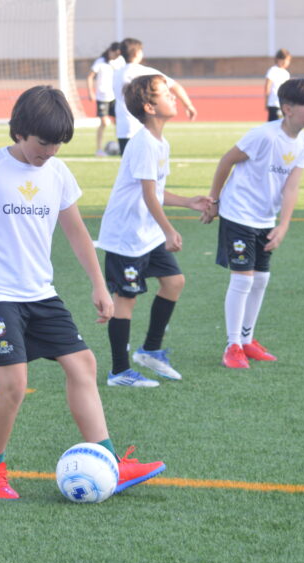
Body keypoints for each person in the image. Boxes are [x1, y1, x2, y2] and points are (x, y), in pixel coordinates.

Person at [0, 85, 166, 500]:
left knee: (83, 364)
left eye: (58, 144)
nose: (50, 151)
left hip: (40, 293)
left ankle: (111, 461)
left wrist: (99, 285)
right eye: (43, 143)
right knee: (14, 384)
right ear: (20, 131)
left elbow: (77, 232)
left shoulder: (58, 173)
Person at [96, 75, 211, 387]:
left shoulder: (161, 142)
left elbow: (156, 191)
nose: (174, 96)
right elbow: (148, 196)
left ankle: (150, 351)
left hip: (146, 234)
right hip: (126, 237)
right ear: (149, 106)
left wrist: (189, 202)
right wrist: (170, 230)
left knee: (174, 282)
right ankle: (119, 372)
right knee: (126, 300)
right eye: (165, 94)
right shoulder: (144, 142)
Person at [202, 79, 304, 369]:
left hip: (265, 219)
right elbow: (226, 161)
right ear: (288, 109)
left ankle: (247, 340)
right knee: (243, 279)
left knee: (262, 279)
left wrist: (284, 224)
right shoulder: (264, 136)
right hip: (239, 214)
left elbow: (291, 188)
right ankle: (231, 347)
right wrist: (214, 200)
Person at [112, 37, 197, 154]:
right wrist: (188, 105)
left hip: (123, 127)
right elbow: (174, 85)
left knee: (130, 166)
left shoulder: (116, 73)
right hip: (141, 126)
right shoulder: (144, 71)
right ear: (137, 53)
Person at [87, 41, 123, 156]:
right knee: (104, 122)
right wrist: (90, 92)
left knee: (118, 122)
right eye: (115, 54)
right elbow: (90, 76)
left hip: (115, 96)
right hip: (102, 97)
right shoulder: (100, 62)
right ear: (110, 51)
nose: (117, 56)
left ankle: (122, 147)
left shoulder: (120, 61)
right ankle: (99, 149)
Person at [264, 49, 291, 122]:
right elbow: (267, 87)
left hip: (283, 105)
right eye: (287, 60)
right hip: (273, 104)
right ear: (280, 60)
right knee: (272, 125)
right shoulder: (273, 70)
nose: (288, 62)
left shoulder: (286, 73)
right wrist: (266, 102)